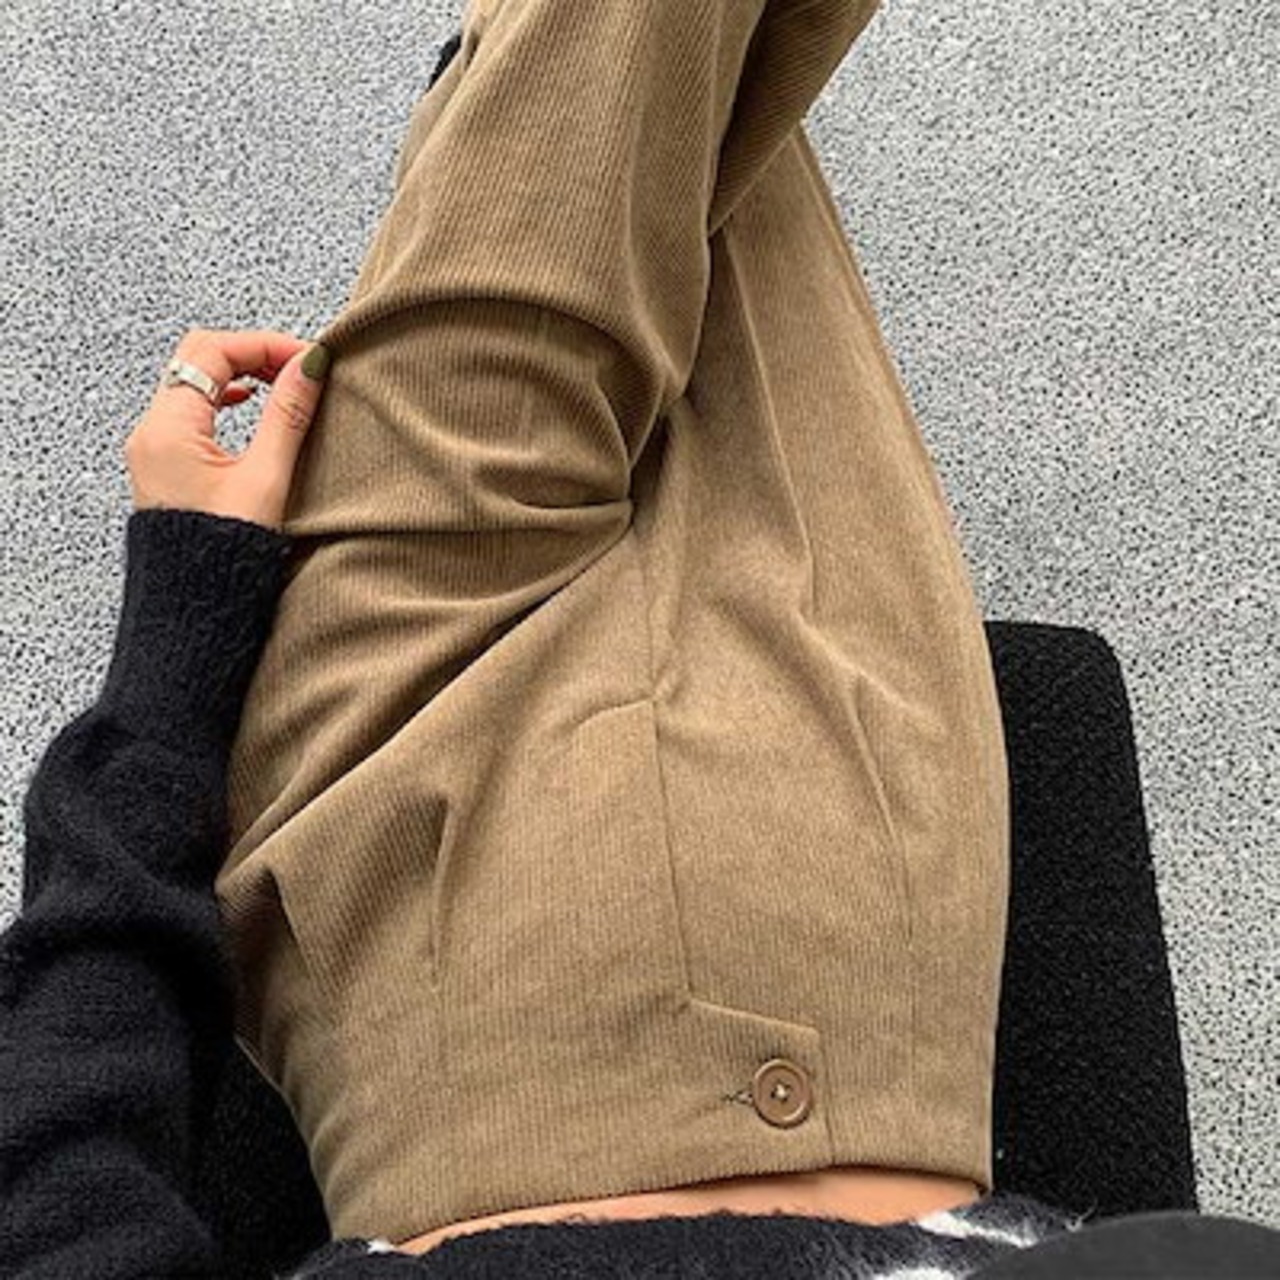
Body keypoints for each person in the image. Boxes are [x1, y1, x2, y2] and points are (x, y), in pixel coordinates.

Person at [4, 3, 1278, 1278]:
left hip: (512, 906)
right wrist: (175, 623)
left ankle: (488, 95)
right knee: (669, 140)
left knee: (633, 136)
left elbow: (60, 1170)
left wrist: (181, 625)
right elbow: (52, 1160)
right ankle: (485, 94)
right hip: (616, 931)